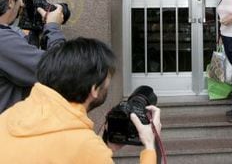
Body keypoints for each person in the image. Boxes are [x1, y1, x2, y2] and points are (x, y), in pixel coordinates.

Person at [0, 37, 161, 164]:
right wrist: (149, 147)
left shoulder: (9, 116)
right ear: (94, 89)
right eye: (108, 78)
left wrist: (105, 147)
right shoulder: (86, 148)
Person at [0, 0, 65, 113]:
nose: (22, 5)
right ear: (11, 1)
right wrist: (53, 27)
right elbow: (60, 71)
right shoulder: (4, 41)